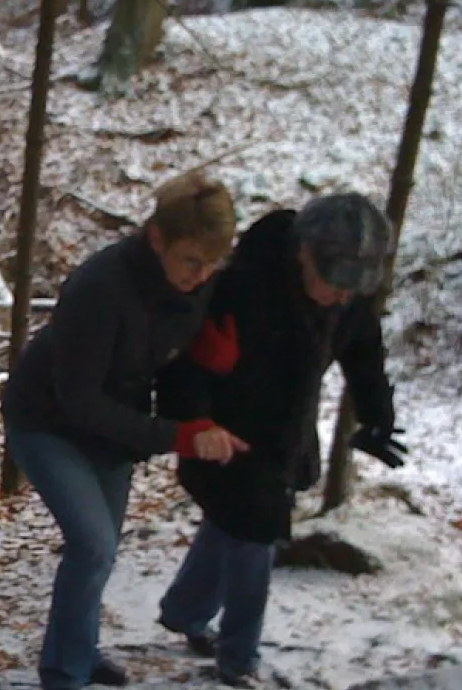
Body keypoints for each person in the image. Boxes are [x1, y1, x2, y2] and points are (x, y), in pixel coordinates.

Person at [0, 171, 249, 689]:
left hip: (113, 428)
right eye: (190, 261)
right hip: (46, 419)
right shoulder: (99, 287)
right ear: (157, 237)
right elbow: (80, 399)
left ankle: (80, 651)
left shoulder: (196, 284)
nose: (201, 276)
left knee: (102, 547)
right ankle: (64, 673)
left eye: (211, 264)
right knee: (92, 544)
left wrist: (206, 355)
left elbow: (170, 352)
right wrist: (177, 435)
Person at [157, 193, 408, 688]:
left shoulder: (343, 300)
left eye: (351, 290)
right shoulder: (240, 287)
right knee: (255, 539)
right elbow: (186, 367)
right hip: (224, 436)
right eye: (334, 284)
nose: (341, 297)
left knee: (232, 526)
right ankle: (239, 659)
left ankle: (184, 611)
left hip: (285, 438)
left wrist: (378, 418)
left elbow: (364, 352)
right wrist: (193, 425)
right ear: (303, 254)